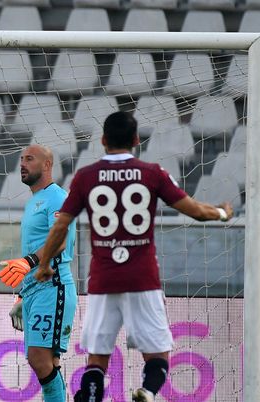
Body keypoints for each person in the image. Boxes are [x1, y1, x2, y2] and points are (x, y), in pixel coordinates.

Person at [34, 111, 234, 402]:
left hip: (103, 280)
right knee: (159, 355)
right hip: (142, 280)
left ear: (103, 141)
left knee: (97, 360)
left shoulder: (86, 176)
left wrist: (43, 264)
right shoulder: (151, 173)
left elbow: (61, 224)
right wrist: (221, 212)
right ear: (136, 140)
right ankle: (148, 391)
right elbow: (194, 210)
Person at [0, 145, 76, 402]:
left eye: (29, 159)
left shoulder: (56, 197)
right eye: (21, 159)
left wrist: (28, 262)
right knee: (44, 360)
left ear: (47, 165)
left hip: (53, 285)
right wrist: (22, 293)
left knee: (40, 359)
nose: (22, 163)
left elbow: (60, 239)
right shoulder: (35, 201)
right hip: (35, 289)